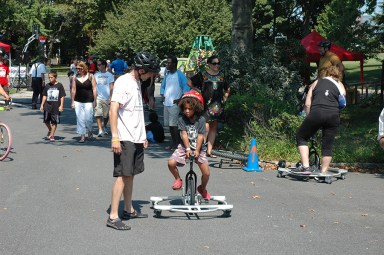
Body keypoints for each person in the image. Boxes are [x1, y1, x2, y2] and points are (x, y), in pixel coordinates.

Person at [106, 51, 160, 231]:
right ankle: (113, 216)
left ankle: (128, 209)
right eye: (151, 72)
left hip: (136, 137)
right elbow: (113, 110)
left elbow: (136, 112)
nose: (152, 76)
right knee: (122, 174)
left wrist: (143, 135)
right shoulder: (123, 82)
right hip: (124, 137)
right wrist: (115, 137)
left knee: (131, 174)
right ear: (141, 69)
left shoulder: (137, 82)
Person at [294, 65, 346, 174]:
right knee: (327, 145)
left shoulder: (316, 82)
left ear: (326, 73)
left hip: (317, 113)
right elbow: (343, 103)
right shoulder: (340, 85)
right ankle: (323, 172)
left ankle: (306, 167)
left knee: (301, 136)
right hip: (333, 115)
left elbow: (308, 104)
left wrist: (308, 117)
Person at [167, 91, 211, 199]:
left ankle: (202, 188)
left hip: (199, 148)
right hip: (184, 146)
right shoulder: (182, 120)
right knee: (171, 163)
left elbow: (201, 136)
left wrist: (197, 150)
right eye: (185, 108)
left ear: (196, 108)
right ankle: (178, 179)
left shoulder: (201, 120)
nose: (187, 111)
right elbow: (184, 134)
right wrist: (187, 149)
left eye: (190, 109)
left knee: (206, 173)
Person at [188, 55, 230, 157]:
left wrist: (225, 98)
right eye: (214, 63)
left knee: (214, 127)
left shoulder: (222, 75)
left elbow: (227, 88)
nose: (217, 65)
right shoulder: (203, 74)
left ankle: (209, 151)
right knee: (205, 126)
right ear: (209, 64)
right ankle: (201, 148)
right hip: (205, 104)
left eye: (218, 63)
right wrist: (199, 91)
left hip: (217, 105)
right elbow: (189, 82)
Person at [160, 55, 190, 150]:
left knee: (174, 125)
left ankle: (177, 144)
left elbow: (187, 87)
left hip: (174, 104)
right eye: (167, 63)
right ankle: (173, 143)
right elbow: (163, 86)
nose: (167, 64)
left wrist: (180, 99)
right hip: (167, 103)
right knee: (170, 125)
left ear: (174, 64)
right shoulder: (167, 74)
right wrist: (162, 94)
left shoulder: (179, 74)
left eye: (169, 62)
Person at [71, 61, 97, 143]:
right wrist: (72, 101)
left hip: (89, 100)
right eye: (77, 68)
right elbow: (73, 89)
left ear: (84, 68)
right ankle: (82, 136)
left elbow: (94, 88)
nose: (78, 70)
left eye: (79, 68)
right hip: (78, 100)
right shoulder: (75, 77)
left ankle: (90, 130)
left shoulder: (91, 76)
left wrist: (95, 100)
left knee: (88, 119)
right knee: (80, 119)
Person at [39, 71, 66, 142]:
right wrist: (42, 105)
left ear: (55, 77)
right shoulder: (47, 86)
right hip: (47, 106)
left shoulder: (59, 85)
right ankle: (50, 130)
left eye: (51, 77)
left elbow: (62, 96)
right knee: (46, 120)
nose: (50, 79)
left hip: (56, 106)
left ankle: (52, 135)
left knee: (54, 121)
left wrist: (61, 105)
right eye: (49, 77)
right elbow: (44, 95)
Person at [94, 59, 114, 137]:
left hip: (107, 97)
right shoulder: (96, 75)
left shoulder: (109, 75)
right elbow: (94, 87)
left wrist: (111, 97)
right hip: (98, 97)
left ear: (103, 65)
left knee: (106, 115)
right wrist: (94, 98)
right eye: (97, 65)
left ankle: (104, 126)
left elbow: (111, 87)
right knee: (98, 114)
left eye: (99, 65)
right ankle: (100, 129)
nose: (97, 66)